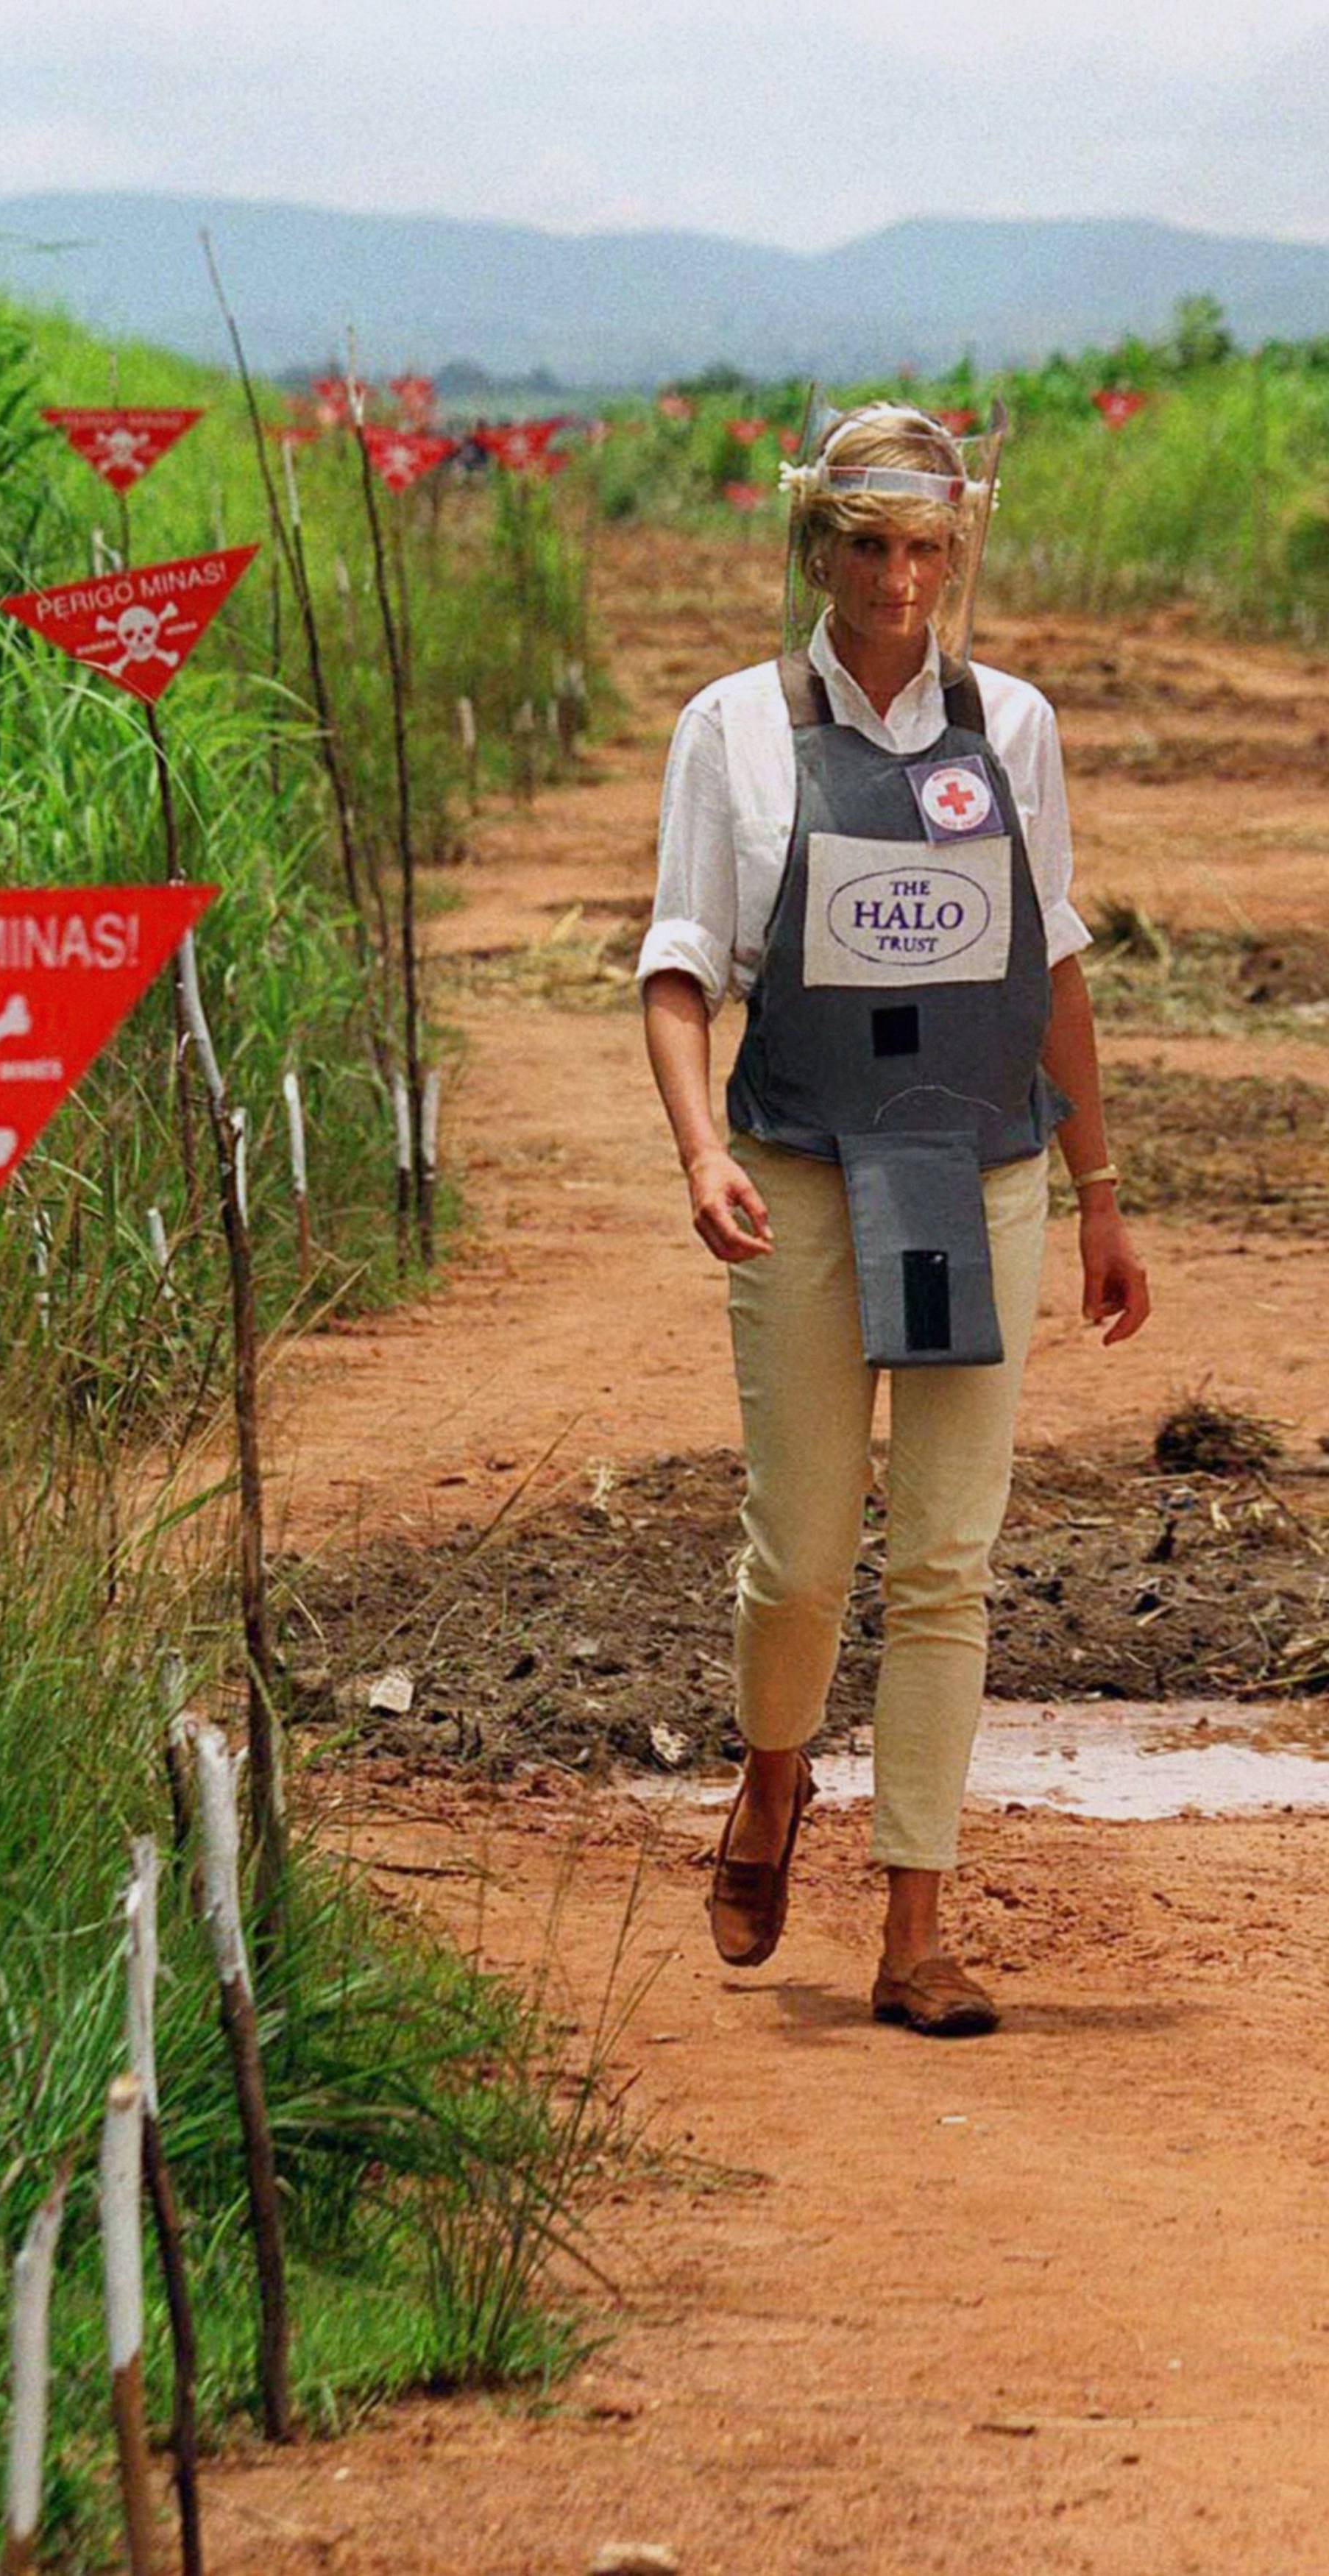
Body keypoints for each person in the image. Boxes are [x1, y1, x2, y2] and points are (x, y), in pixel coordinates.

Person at [638, 400, 1150, 2037]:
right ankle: (775, 1775)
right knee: (801, 1554)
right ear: (816, 548)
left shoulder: (1016, 731)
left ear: (958, 551)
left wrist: (1099, 1192)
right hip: (795, 1169)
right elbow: (677, 969)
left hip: (976, 1174)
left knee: (945, 1560)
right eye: (869, 544)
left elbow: (1049, 965)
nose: (900, 578)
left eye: (928, 547)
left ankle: (916, 1924)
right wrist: (696, 1148)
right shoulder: (732, 729)